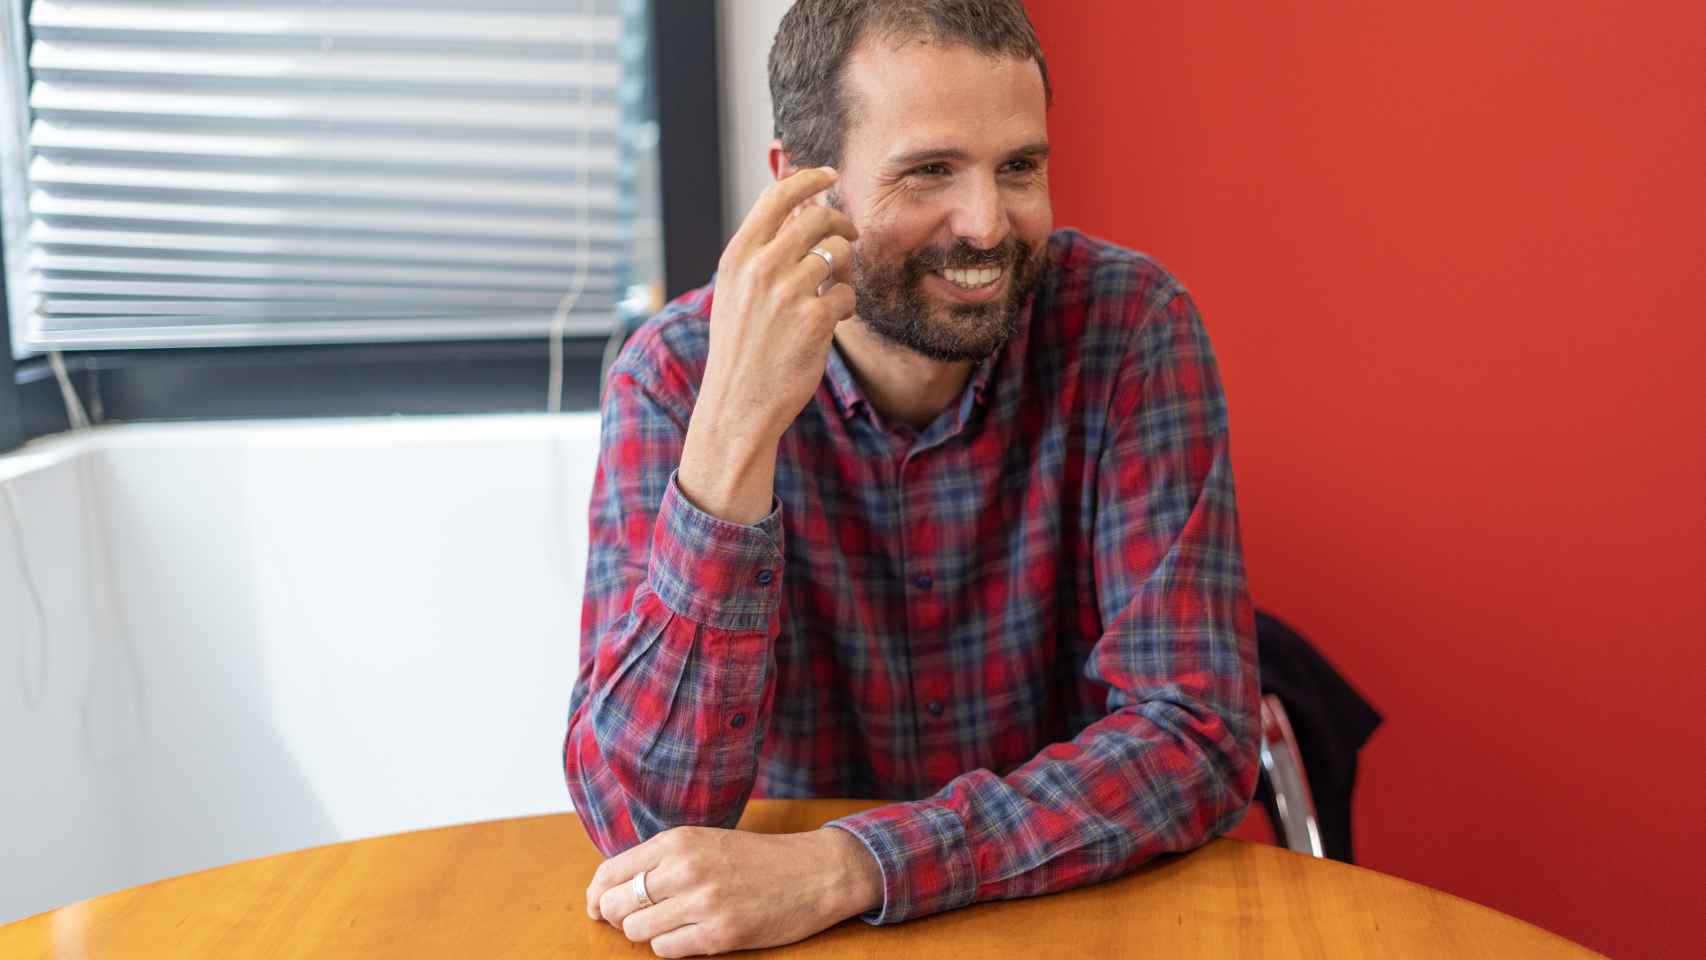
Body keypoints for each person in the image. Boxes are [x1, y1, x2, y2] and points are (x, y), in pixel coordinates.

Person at [564, 1, 1259, 955]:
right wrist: (732, 436)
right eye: (930, 170)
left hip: (1059, 915)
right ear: (803, 189)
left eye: (1018, 167)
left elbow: (1195, 740)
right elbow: (639, 820)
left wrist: (855, 864)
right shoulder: (677, 375)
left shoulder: (1128, 328)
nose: (986, 224)